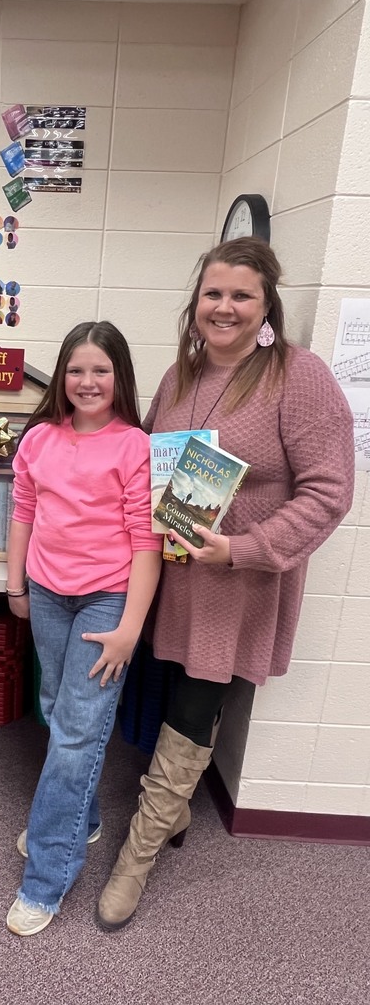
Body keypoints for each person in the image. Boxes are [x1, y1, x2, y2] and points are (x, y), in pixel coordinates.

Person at [95, 237, 356, 932]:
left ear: (266, 304)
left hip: (235, 588)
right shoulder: (182, 376)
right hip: (172, 579)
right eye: (214, 293)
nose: (225, 307)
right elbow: (145, 460)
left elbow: (330, 493)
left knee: (192, 708)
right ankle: (173, 808)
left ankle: (137, 857)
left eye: (242, 295)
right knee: (168, 692)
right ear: (196, 302)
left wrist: (242, 548)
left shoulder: (300, 377)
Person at [5, 321, 163, 937]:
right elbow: (23, 513)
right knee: (55, 707)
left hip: (107, 602)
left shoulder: (133, 446)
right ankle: (83, 817)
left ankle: (47, 878)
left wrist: (129, 629)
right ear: (61, 377)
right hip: (46, 592)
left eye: (100, 370)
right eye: (76, 370)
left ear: (120, 376)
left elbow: (147, 544)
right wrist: (15, 587)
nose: (87, 381)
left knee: (76, 733)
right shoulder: (40, 438)